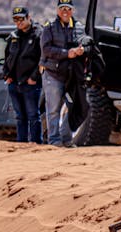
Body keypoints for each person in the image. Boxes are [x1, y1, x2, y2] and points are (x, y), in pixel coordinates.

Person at [40, 0, 86, 147]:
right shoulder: (49, 27)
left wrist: (83, 50)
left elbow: (85, 43)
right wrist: (67, 53)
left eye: (68, 8)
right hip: (53, 74)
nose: (65, 11)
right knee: (53, 109)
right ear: (57, 10)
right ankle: (54, 140)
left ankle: (66, 139)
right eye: (62, 8)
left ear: (72, 10)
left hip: (72, 76)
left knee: (72, 107)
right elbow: (46, 49)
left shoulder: (79, 27)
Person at [2, 6, 43, 143]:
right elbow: (7, 58)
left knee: (33, 116)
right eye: (15, 19)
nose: (18, 22)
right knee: (20, 117)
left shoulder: (38, 34)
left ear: (28, 18)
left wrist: (34, 77)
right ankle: (21, 144)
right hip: (14, 83)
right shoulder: (14, 36)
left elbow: (43, 59)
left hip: (30, 83)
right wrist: (6, 75)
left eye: (21, 19)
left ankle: (36, 143)